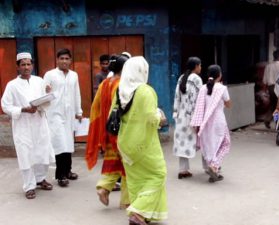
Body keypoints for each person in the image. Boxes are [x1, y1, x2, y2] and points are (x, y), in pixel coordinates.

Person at [117, 56, 168, 224]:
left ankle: (144, 213)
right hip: (143, 142)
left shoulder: (120, 90)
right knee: (158, 174)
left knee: (136, 178)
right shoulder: (145, 90)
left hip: (125, 142)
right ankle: (138, 212)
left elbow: (114, 114)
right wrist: (160, 116)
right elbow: (151, 118)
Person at [1, 52, 55, 199]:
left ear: (32, 65)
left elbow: (46, 100)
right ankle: (29, 186)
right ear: (17, 67)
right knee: (26, 154)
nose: (26, 67)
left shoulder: (39, 81)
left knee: (42, 151)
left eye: (28, 64)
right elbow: (5, 106)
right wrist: (23, 109)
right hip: (23, 125)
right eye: (23, 64)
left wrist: (48, 94)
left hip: (39, 122)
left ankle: (40, 179)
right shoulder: (12, 85)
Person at [85, 54, 129, 209]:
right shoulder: (122, 85)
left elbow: (95, 107)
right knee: (127, 166)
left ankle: (103, 188)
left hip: (109, 129)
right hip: (120, 130)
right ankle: (126, 201)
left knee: (112, 161)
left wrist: (100, 127)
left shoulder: (105, 83)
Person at [43, 48, 83, 187]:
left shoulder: (74, 75)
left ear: (70, 60)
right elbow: (43, 93)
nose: (64, 61)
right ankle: (60, 175)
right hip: (54, 114)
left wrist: (79, 111)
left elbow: (76, 93)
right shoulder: (50, 74)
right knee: (60, 143)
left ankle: (68, 171)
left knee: (68, 142)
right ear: (57, 60)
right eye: (62, 58)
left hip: (69, 114)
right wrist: (46, 91)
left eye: (67, 59)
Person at [191, 64, 231, 183]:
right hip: (218, 120)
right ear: (219, 75)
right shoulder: (221, 88)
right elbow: (229, 105)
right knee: (225, 143)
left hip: (206, 122)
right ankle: (214, 165)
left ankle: (213, 167)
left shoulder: (203, 88)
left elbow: (200, 106)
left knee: (210, 145)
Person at [172, 56, 202, 179]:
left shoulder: (181, 78)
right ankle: (210, 166)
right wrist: (199, 117)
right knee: (203, 141)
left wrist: (175, 113)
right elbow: (199, 100)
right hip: (192, 116)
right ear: (196, 66)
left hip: (181, 116)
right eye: (200, 65)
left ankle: (183, 170)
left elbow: (176, 97)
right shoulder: (197, 79)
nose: (201, 68)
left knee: (182, 143)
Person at [262, 49, 279, 129]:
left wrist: (265, 91)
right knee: (278, 106)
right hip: (278, 88)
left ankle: (267, 119)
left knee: (273, 105)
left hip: (270, 88)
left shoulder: (268, 66)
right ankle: (277, 122)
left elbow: (264, 80)